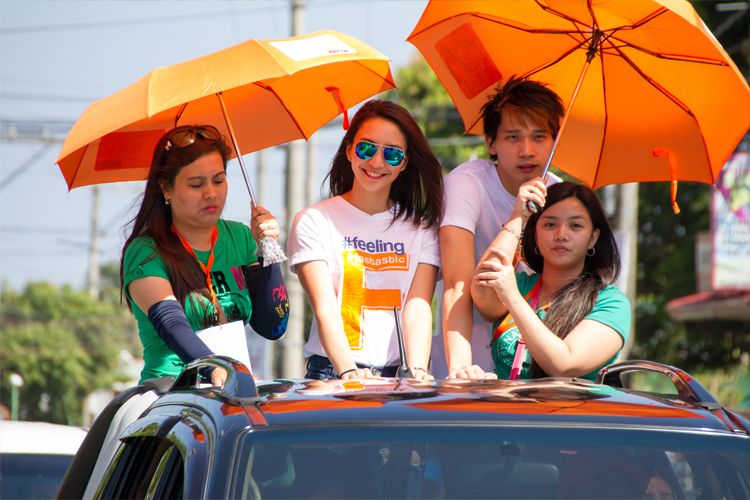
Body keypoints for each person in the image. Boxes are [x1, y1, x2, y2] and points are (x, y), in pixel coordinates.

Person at [120, 125, 288, 385]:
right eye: (196, 184)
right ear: (166, 189)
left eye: (219, 180)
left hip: (234, 387)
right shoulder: (145, 251)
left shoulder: (240, 236)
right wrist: (216, 368)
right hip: (170, 389)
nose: (211, 193)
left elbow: (273, 326)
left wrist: (268, 249)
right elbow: (172, 324)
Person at [288, 100, 443, 380]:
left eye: (392, 154)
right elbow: (325, 310)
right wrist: (348, 371)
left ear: (404, 163)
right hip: (333, 373)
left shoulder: (423, 228)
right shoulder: (313, 221)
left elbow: (418, 308)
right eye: (366, 148)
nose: (376, 162)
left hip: (400, 378)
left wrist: (419, 370)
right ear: (349, 150)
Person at [435, 76, 565, 379]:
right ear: (490, 142)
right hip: (466, 360)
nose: (527, 150)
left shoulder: (559, 194)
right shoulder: (468, 183)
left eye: (539, 136)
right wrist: (460, 366)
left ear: (555, 141)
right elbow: (456, 283)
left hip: (533, 367)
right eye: (513, 137)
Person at [471, 181, 630, 380]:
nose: (561, 235)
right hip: (506, 410)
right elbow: (482, 290)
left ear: (592, 238)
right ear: (535, 236)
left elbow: (563, 365)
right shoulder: (520, 285)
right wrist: (519, 217)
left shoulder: (611, 303)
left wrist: (512, 298)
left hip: (570, 411)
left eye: (576, 226)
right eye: (550, 224)